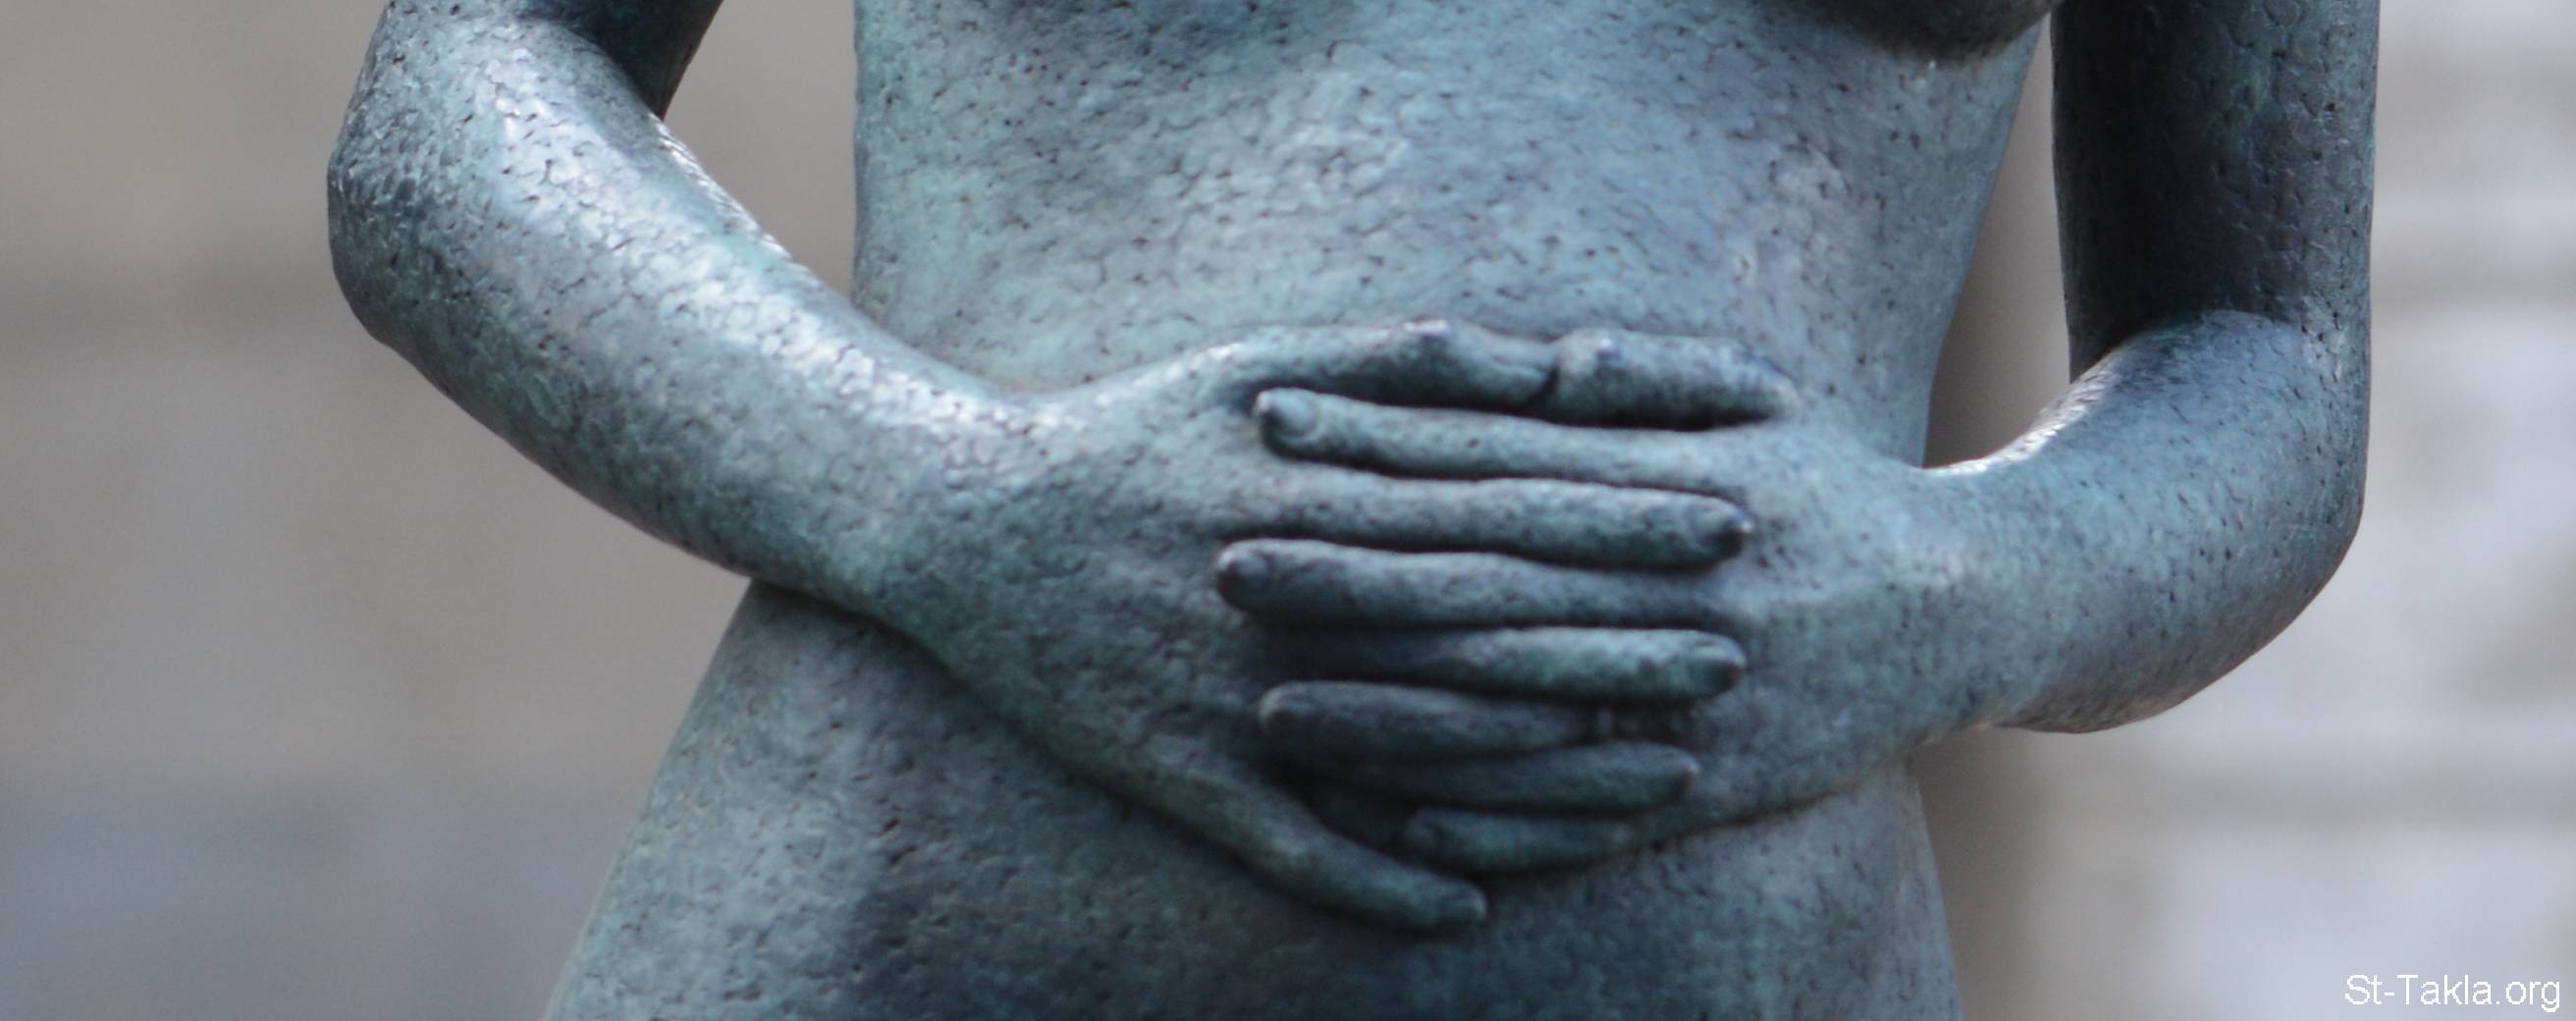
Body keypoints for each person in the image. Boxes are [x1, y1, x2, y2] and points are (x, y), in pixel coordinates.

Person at [327, 0, 2375, 1016]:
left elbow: (2264, 344)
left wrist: (1957, 587)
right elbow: (464, 88)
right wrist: (944, 496)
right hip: (891, 916)